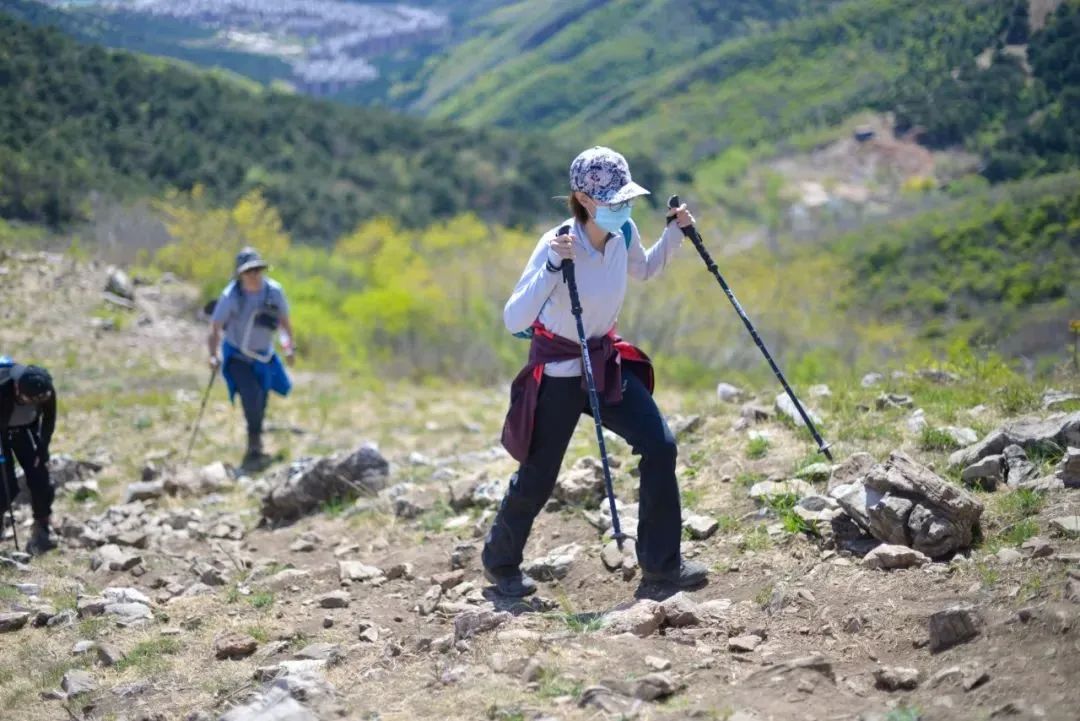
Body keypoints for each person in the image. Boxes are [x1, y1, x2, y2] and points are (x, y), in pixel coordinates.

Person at [482, 146, 708, 597]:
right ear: (584, 200)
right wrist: (550, 266)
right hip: (560, 369)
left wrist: (676, 233)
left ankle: (662, 567)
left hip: (604, 361)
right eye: (612, 200)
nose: (623, 207)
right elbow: (514, 318)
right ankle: (500, 563)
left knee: (660, 446)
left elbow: (644, 270)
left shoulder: (623, 231)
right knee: (539, 474)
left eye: (626, 198)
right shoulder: (558, 243)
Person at [208, 248, 295, 472]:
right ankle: (253, 441)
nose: (254, 275)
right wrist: (213, 354)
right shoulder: (231, 296)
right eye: (249, 271)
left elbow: (284, 323)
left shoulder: (274, 292)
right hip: (237, 355)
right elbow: (216, 327)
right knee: (250, 394)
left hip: (264, 355)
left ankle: (256, 437)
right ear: (240, 274)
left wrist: (288, 348)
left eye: (257, 270)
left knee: (262, 397)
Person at [0, 358, 57, 555]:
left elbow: (49, 419)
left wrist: (43, 449)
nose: (32, 404)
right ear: (17, 389)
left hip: (24, 431)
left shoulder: (44, 388)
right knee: (5, 483)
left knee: (40, 477)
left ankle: (42, 526)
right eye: (27, 400)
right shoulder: (3, 387)